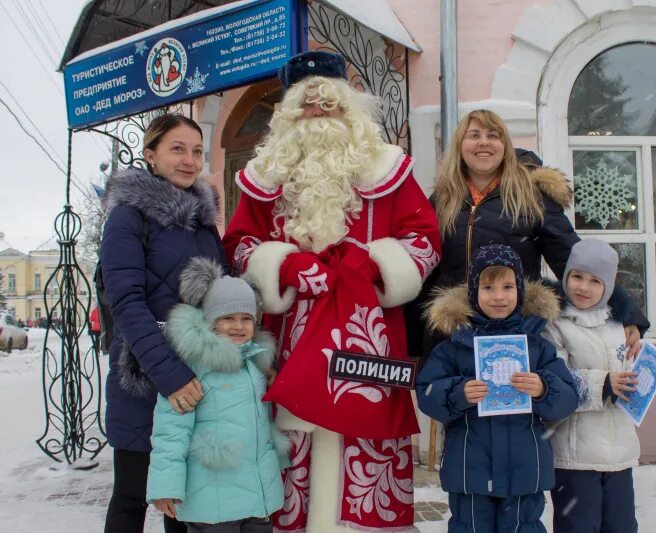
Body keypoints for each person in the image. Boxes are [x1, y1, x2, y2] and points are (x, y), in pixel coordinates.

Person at [222, 50, 441, 532]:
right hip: (290, 339)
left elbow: (424, 240)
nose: (319, 113)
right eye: (308, 105)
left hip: (370, 340)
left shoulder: (389, 170)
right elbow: (239, 244)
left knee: (364, 446)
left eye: (329, 104)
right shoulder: (266, 178)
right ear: (289, 113)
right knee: (291, 449)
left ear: (350, 108)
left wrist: (375, 263)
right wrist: (284, 265)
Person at [406, 109, 649, 361]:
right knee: (454, 398)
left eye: (494, 135)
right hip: (453, 332)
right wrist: (411, 344)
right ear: (460, 145)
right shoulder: (442, 199)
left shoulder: (530, 195)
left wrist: (627, 313)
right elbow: (425, 270)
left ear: (505, 146)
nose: (484, 142)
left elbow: (573, 258)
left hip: (516, 328)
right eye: (474, 135)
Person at [100, 113, 228, 533]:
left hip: (196, 379)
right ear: (151, 156)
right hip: (144, 377)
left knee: (183, 501)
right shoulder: (128, 216)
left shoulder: (204, 225)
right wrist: (169, 375)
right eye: (177, 149)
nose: (190, 160)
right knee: (133, 496)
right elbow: (126, 301)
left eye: (196, 151)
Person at [416, 244, 579, 532]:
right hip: (470, 469)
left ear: (519, 290)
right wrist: (458, 393)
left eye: (507, 286)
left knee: (522, 527)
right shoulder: (454, 345)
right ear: (474, 293)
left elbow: (568, 397)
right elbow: (427, 393)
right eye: (488, 287)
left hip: (523, 470)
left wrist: (543, 388)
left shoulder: (537, 345)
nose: (499, 296)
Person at [146, 257, 288, 532]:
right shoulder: (193, 368)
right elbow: (171, 431)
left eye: (246, 318)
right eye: (228, 318)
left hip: (257, 498)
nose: (238, 326)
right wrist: (166, 486)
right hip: (212, 502)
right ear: (210, 322)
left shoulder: (255, 364)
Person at [543, 238, 640, 532]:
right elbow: (555, 382)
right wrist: (603, 385)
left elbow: (628, 372)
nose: (583, 287)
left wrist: (641, 371)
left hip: (620, 453)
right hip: (575, 457)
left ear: (608, 286)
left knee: (621, 526)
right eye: (577, 277)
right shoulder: (554, 325)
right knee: (578, 526)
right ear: (566, 277)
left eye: (595, 281)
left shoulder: (619, 326)